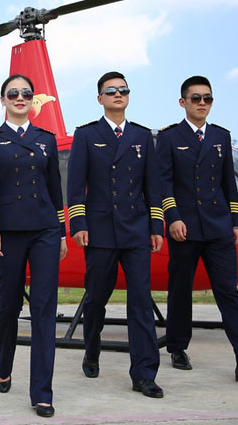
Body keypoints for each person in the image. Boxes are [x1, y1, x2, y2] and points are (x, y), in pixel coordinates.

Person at [157, 75, 238, 383]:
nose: (202, 103)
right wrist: (172, 217)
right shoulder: (169, 137)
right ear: (183, 102)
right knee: (180, 290)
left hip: (219, 226)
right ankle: (178, 347)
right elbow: (163, 182)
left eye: (207, 98)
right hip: (184, 227)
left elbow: (228, 181)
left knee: (228, 291)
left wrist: (235, 221)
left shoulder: (221, 136)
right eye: (196, 98)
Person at [67, 71, 165, 398]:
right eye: (111, 91)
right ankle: (91, 349)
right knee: (96, 298)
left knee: (140, 302)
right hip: (100, 231)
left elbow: (153, 186)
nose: (118, 94)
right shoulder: (86, 135)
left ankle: (144, 374)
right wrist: (79, 224)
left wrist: (156, 226)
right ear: (100, 99)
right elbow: (75, 186)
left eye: (123, 89)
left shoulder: (142, 136)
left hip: (136, 230)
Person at [0, 74, 67, 419]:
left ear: (32, 101)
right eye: (12, 93)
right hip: (8, 231)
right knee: (9, 305)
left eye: (26, 93)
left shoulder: (46, 140)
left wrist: (61, 232)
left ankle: (42, 392)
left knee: (44, 309)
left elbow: (55, 190)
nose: (19, 97)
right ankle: (3, 365)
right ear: (2, 100)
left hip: (45, 230)